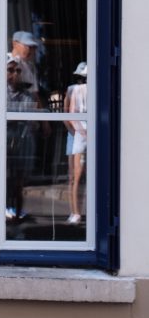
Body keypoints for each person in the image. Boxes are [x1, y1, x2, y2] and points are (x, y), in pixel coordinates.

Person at [5, 52, 37, 221]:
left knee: (19, 179)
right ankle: (5, 208)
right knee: (4, 177)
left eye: (18, 71)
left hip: (22, 141)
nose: (15, 74)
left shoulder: (27, 94)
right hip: (5, 141)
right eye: (11, 70)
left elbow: (28, 118)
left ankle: (18, 210)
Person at [64, 62, 87, 224]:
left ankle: (79, 211)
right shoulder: (72, 90)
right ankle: (74, 212)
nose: (81, 81)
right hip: (76, 133)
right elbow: (67, 114)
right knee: (73, 175)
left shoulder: (85, 90)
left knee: (81, 175)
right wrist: (75, 131)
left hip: (83, 132)